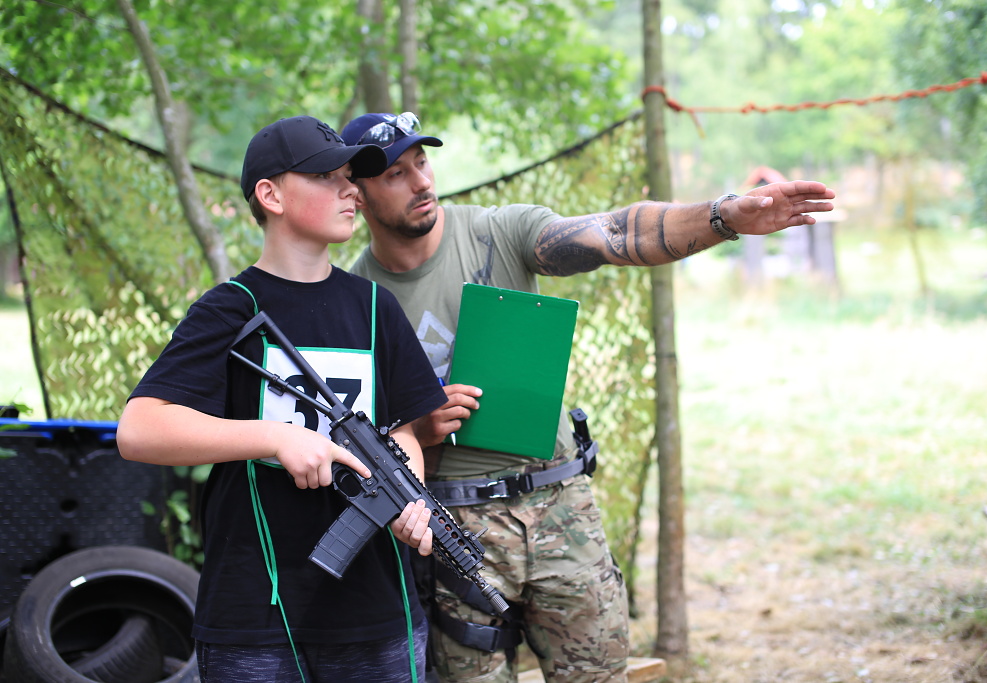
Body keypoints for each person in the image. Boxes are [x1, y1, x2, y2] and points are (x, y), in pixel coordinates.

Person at [340, 111, 837, 683]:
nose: (422, 182)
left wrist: (724, 216)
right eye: (396, 174)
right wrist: (421, 430)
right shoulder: (354, 300)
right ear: (356, 190)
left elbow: (614, 233)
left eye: (422, 162)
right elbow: (359, 448)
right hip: (455, 529)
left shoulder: (498, 232)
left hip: (559, 507)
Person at [117, 115, 448, 683]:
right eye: (327, 176)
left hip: (378, 611)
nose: (350, 189)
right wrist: (274, 437)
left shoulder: (374, 307)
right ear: (269, 195)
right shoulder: (231, 308)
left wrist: (407, 500)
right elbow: (140, 429)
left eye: (352, 176)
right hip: (255, 614)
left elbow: (402, 433)